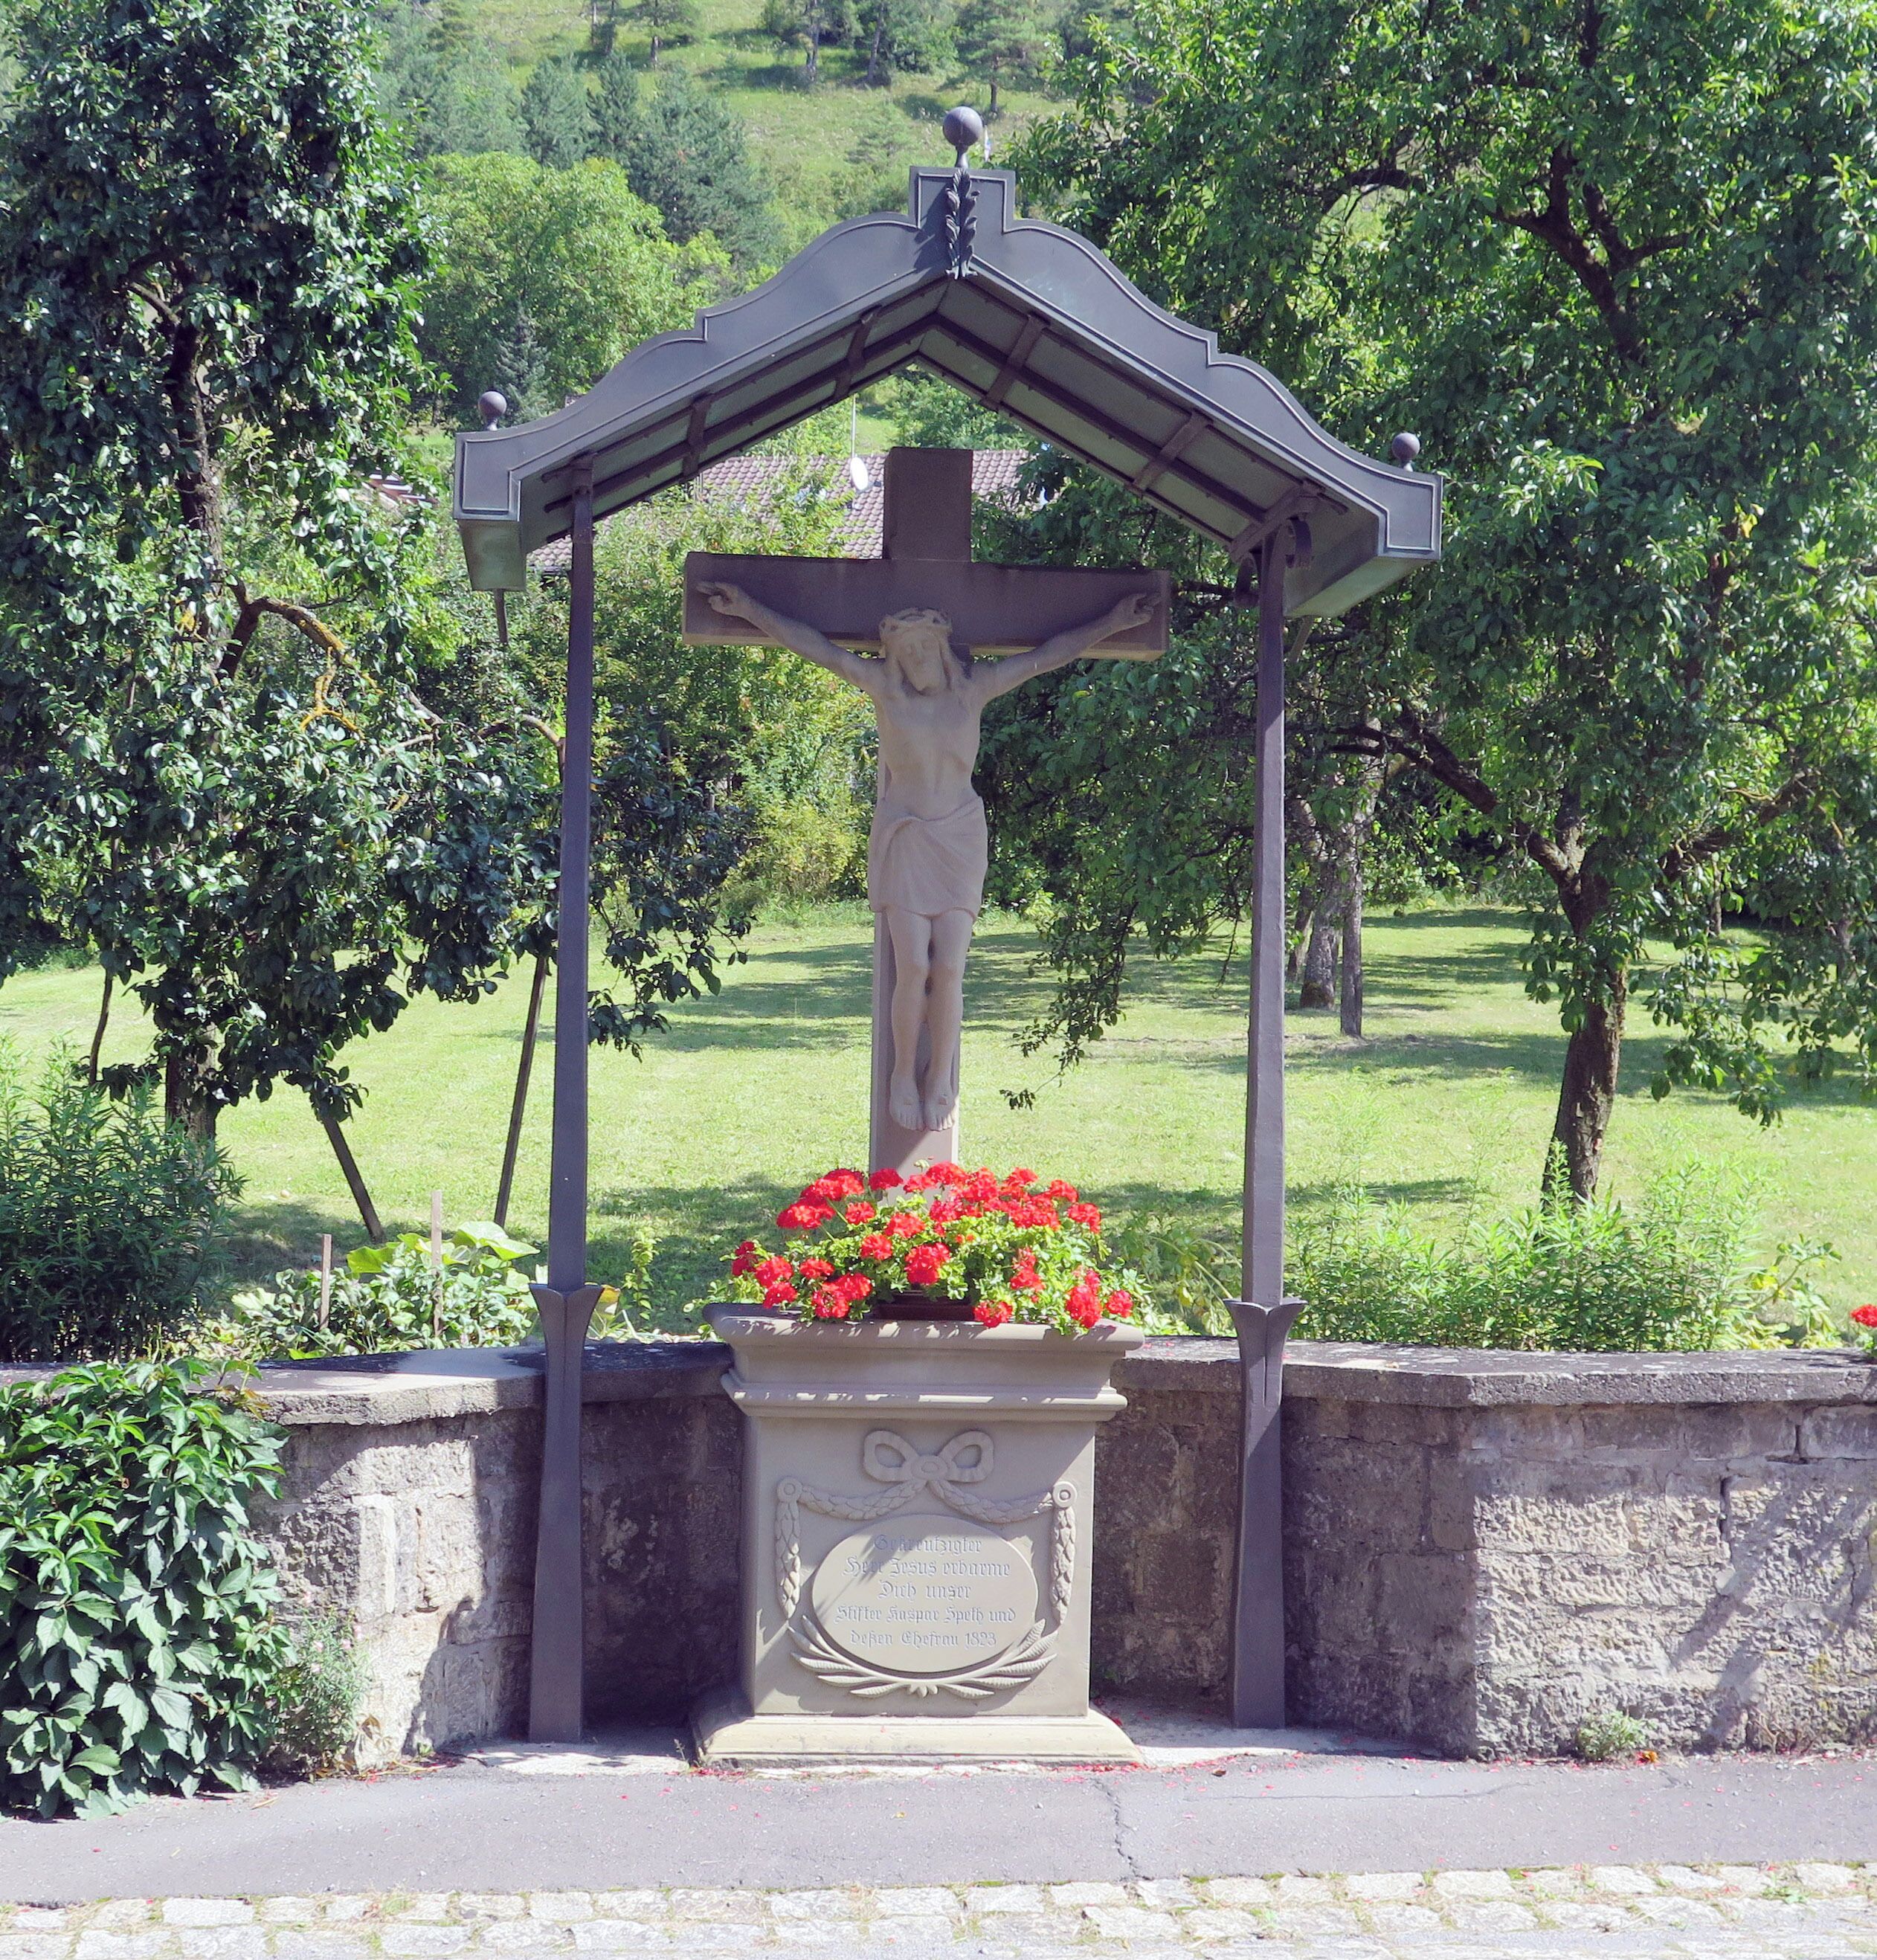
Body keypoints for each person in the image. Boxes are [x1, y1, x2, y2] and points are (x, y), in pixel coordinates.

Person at [698, 581, 1156, 1134]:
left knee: (950, 967)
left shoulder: (976, 689)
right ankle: (902, 1074)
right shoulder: (884, 692)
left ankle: (940, 1076)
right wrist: (749, 607)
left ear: (940, 648)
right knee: (913, 965)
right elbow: (816, 648)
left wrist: (1113, 622)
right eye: (905, 651)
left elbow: (1050, 655)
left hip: (959, 836)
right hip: (907, 838)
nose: (915, 660)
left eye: (922, 648)